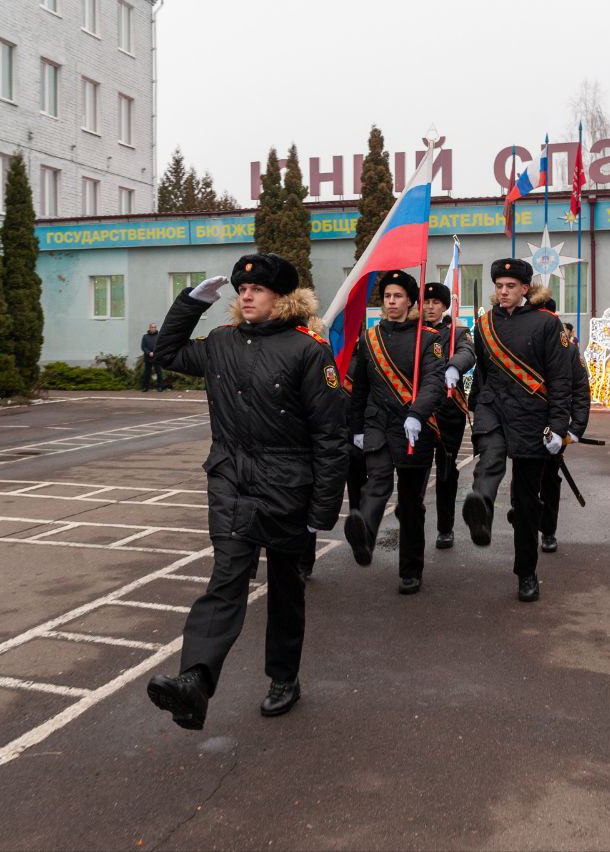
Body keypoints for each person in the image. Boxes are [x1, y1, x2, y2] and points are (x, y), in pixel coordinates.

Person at [145, 253, 347, 729]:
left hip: (288, 487)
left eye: (257, 289)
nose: (247, 295)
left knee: (285, 589)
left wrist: (323, 508)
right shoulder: (221, 342)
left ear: (283, 297)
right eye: (242, 290)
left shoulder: (308, 350)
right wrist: (189, 304)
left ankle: (283, 678)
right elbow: (166, 354)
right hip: (232, 482)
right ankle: (194, 680)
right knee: (227, 578)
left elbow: (330, 437)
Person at [460, 259, 573, 602]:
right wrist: (474, 404)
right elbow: (481, 370)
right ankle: (481, 505)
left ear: (525, 289)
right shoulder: (484, 324)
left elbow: (560, 379)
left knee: (526, 504)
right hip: (493, 408)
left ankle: (527, 573)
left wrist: (558, 426)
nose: (503, 292)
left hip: (532, 417)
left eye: (510, 286)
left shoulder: (546, 324)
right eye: (499, 286)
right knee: (490, 460)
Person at [344, 269, 446, 594]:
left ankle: (410, 570)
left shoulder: (428, 339)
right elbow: (359, 388)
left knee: (411, 504)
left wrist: (417, 413)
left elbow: (434, 382)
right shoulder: (369, 338)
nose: (391, 301)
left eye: (398, 296)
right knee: (377, 483)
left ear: (409, 301)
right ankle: (365, 533)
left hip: (413, 430)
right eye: (387, 296)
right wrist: (356, 428)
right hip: (377, 425)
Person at [422, 281, 475, 549]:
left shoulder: (457, 332)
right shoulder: (413, 331)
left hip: (447, 410)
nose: (430, 307)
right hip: (418, 410)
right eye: (426, 302)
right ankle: (412, 521)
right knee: (416, 471)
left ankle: (445, 528)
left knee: (445, 470)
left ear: (444, 306)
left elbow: (468, 353)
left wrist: (455, 366)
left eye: (436, 303)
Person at [536, 297, 591, 554]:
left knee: (549, 478)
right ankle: (524, 514)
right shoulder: (524, 345)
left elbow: (581, 391)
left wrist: (575, 429)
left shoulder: (569, 350)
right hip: (525, 422)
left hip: (555, 426)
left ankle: (548, 531)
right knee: (524, 475)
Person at [140, 322, 164, 392]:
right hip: (148, 358)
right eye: (152, 327)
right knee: (147, 373)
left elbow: (161, 346)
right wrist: (149, 352)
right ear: (149, 328)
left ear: (156, 328)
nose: (153, 328)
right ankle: (145, 387)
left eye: (154, 327)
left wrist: (155, 352)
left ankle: (160, 387)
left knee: (159, 372)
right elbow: (143, 347)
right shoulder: (145, 336)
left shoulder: (159, 336)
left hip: (156, 357)